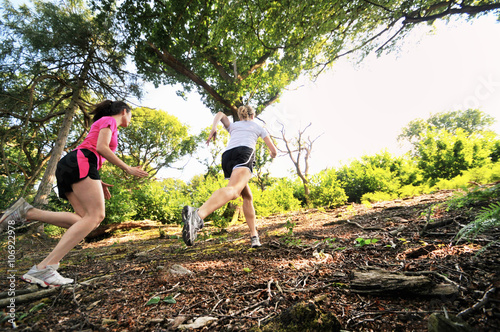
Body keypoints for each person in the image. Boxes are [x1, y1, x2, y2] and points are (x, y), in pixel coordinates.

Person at [0, 100, 148, 287]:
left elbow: (94, 150)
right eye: (131, 115)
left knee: (83, 220)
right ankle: (46, 267)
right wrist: (128, 168)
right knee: (96, 216)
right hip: (81, 161)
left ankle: (27, 213)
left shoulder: (104, 124)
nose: (130, 119)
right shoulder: (109, 121)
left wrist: (97, 182)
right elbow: (101, 147)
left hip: (74, 164)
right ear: (124, 111)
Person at [182, 105, 277, 248]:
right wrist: (272, 155)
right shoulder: (258, 127)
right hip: (244, 155)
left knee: (247, 196)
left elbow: (220, 113)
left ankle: (254, 236)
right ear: (253, 116)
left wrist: (214, 128)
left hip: (228, 157)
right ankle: (197, 215)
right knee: (234, 191)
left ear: (240, 116)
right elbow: (273, 150)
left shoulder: (233, 126)